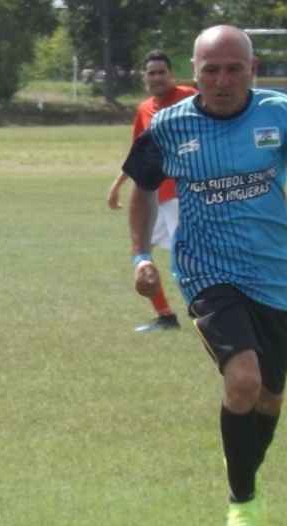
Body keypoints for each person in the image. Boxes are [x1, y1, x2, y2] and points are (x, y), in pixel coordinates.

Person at [120, 25, 287, 526]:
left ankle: (244, 466)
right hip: (206, 273)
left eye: (234, 69)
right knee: (242, 380)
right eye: (211, 70)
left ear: (254, 69)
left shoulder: (281, 115)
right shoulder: (168, 126)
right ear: (193, 74)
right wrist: (141, 257)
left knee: (268, 397)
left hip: (274, 275)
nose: (222, 80)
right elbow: (143, 191)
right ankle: (241, 501)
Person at [107, 51, 196, 333]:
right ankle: (165, 316)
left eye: (161, 72)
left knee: (188, 261)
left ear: (171, 74)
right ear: (144, 78)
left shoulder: (191, 98)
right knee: (142, 255)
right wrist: (118, 185)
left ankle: (209, 316)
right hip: (153, 196)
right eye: (151, 73)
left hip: (182, 196)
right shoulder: (145, 109)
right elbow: (139, 154)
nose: (157, 77)